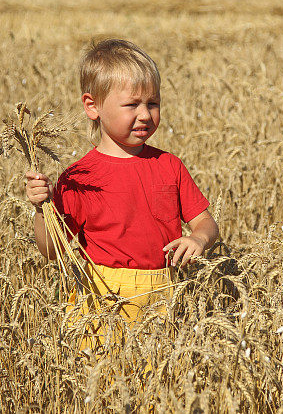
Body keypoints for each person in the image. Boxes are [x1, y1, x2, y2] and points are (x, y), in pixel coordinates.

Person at [24, 39, 219, 348]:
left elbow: (206, 224)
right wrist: (41, 208)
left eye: (152, 104)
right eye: (132, 105)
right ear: (92, 107)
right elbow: (51, 250)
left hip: (163, 296)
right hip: (102, 300)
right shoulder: (79, 178)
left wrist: (198, 239)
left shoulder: (169, 166)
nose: (145, 114)